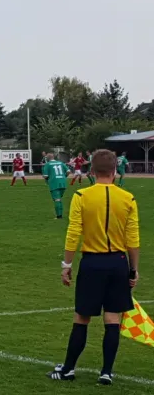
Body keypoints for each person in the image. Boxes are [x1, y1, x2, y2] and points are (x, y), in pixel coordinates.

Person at [47, 149, 139, 386]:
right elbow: (133, 239)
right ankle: (106, 372)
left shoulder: (81, 195)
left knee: (82, 317)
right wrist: (133, 269)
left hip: (92, 263)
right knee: (112, 318)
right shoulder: (128, 198)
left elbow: (74, 231)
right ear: (115, 171)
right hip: (118, 262)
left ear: (91, 171)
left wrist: (66, 264)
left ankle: (68, 369)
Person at [42, 153, 69, 219]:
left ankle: (59, 216)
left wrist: (46, 179)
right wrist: (64, 177)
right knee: (59, 199)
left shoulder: (47, 164)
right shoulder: (60, 163)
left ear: (47, 158)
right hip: (63, 183)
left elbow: (45, 176)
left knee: (57, 200)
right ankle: (60, 215)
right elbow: (68, 171)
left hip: (54, 183)